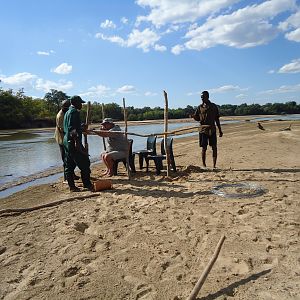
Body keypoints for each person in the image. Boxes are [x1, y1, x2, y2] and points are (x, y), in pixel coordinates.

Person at [63, 95, 93, 192]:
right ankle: (87, 184)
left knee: (70, 165)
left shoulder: (67, 112)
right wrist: (77, 143)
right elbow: (72, 129)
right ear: (75, 103)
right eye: (80, 103)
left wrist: (81, 127)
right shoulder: (74, 112)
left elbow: (71, 126)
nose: (81, 105)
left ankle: (72, 186)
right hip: (73, 142)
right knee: (85, 163)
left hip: (67, 142)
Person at [193, 91, 223, 168]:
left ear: (208, 97)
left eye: (203, 97)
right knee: (204, 148)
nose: (202, 98)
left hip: (212, 129)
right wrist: (193, 116)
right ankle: (204, 165)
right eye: (201, 97)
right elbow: (197, 118)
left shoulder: (213, 106)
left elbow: (217, 119)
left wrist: (220, 130)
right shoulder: (199, 107)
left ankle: (214, 165)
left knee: (214, 147)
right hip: (203, 130)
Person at [54, 100, 79, 182]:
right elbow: (63, 129)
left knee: (71, 158)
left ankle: (72, 174)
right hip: (62, 139)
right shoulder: (60, 115)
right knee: (65, 159)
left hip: (66, 138)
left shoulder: (66, 113)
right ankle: (67, 177)